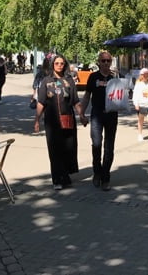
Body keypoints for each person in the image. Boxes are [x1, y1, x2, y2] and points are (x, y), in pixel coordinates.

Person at [35, 54, 82, 190]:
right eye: (57, 63)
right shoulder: (46, 81)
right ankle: (57, 178)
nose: (59, 66)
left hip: (67, 119)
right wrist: (37, 119)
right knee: (55, 150)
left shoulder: (69, 81)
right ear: (52, 65)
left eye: (62, 63)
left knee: (68, 147)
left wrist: (82, 115)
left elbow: (75, 101)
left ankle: (65, 175)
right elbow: (41, 102)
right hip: (52, 121)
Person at [79, 51, 118, 191]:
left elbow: (123, 96)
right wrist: (82, 113)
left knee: (109, 147)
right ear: (99, 62)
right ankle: (97, 172)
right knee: (96, 144)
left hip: (112, 115)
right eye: (103, 61)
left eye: (108, 61)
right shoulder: (93, 77)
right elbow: (86, 96)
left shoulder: (115, 78)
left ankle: (105, 177)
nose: (106, 63)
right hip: (97, 115)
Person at [132, 68, 148, 143]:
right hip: (141, 105)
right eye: (145, 75)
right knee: (141, 120)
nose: (146, 76)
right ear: (142, 75)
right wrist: (136, 104)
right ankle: (140, 134)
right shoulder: (138, 84)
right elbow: (135, 95)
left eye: (147, 75)